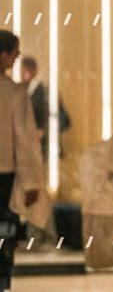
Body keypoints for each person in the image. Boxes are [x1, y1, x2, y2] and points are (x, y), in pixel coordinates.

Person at [0, 30, 43, 292]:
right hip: (4, 174)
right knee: (3, 233)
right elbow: (25, 142)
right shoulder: (14, 93)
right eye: (15, 52)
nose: (18, 56)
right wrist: (31, 182)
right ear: (3, 55)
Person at [20, 56, 71, 161]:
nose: (22, 74)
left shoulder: (43, 92)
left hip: (43, 143)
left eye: (24, 70)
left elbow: (46, 116)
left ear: (32, 70)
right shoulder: (25, 90)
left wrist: (41, 130)